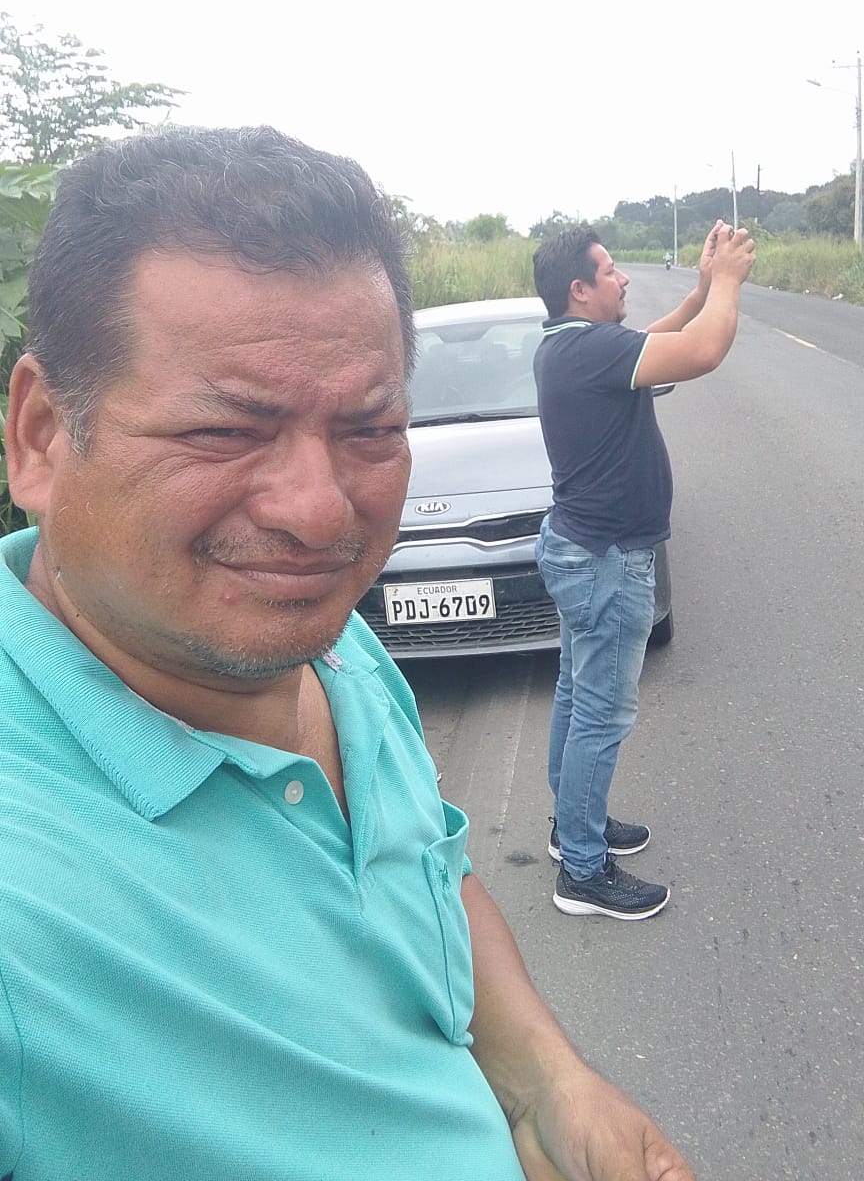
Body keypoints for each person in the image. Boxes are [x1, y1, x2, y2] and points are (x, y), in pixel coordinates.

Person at [0, 127, 694, 1180]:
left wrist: (547, 1081)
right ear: (42, 436)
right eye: (225, 432)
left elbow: (429, 870)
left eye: (370, 430)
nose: (321, 513)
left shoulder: (333, 655)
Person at [532, 219, 755, 922]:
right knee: (600, 712)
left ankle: (574, 827)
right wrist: (727, 283)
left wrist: (698, 292)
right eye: (610, 270)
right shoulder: (590, 349)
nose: (623, 277)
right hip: (607, 560)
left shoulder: (569, 346)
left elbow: (657, 339)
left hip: (582, 549)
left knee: (577, 694)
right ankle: (582, 872)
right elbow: (704, 351)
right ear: (580, 289)